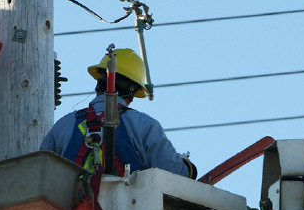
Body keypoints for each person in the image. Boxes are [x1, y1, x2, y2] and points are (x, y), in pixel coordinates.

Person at [41, 48, 193, 177]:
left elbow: (40, 177)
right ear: (132, 95)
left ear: (97, 86)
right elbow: (175, 175)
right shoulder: (145, 126)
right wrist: (187, 166)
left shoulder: (62, 127)